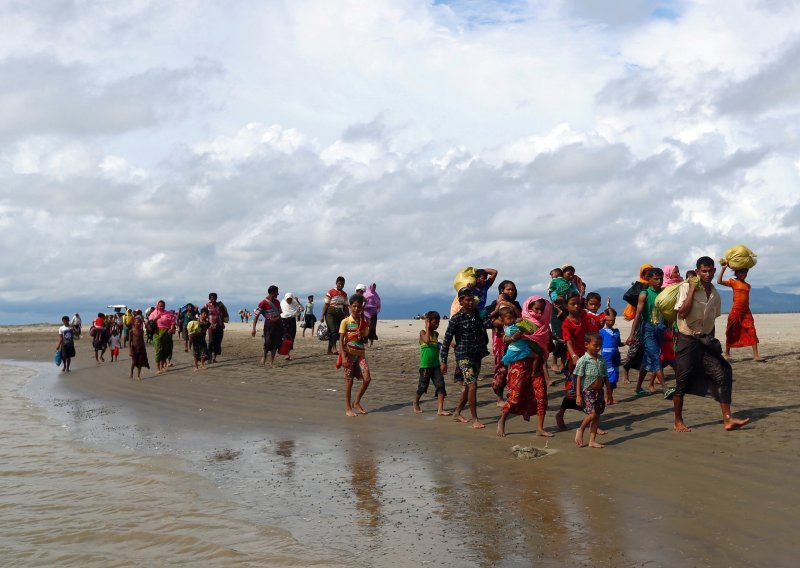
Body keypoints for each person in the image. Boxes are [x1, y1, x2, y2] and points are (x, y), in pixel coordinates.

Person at [673, 256, 750, 432]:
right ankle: (678, 421)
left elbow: (712, 321)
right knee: (682, 380)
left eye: (710, 271)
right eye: (704, 271)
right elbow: (683, 313)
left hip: (704, 339)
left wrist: (713, 344)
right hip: (686, 338)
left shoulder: (715, 293)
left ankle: (728, 419)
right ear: (698, 271)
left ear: (715, 271)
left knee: (722, 372)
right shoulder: (686, 287)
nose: (707, 274)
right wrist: (692, 289)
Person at [495, 306, 551, 437]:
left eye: (541, 310)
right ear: (529, 308)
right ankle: (502, 420)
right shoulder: (520, 324)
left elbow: (547, 342)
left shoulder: (543, 324)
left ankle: (539, 428)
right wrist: (513, 337)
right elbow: (504, 336)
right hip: (519, 363)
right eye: (536, 309)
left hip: (536, 366)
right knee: (516, 395)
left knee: (541, 395)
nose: (538, 312)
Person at [554, 291, 607, 431]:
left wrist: (601, 324)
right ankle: (560, 414)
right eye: (573, 304)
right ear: (566, 305)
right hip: (575, 361)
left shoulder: (585, 315)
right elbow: (568, 341)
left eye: (578, 303)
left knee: (591, 389)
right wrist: (573, 356)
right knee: (573, 391)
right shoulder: (566, 322)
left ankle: (593, 423)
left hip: (589, 357)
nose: (576, 306)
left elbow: (593, 329)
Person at [440, 286, 490, 429]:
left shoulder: (478, 314)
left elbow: (488, 324)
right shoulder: (456, 319)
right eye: (467, 300)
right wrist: (443, 361)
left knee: (468, 387)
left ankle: (457, 413)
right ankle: (475, 419)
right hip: (463, 356)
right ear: (461, 301)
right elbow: (447, 340)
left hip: (477, 355)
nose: (470, 303)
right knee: (472, 385)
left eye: (472, 300)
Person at [626, 267, 667, 395]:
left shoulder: (664, 293)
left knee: (646, 359)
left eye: (661, 279)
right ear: (649, 279)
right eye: (656, 279)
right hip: (647, 329)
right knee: (655, 356)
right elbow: (638, 314)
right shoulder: (645, 294)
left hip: (660, 329)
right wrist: (632, 334)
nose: (659, 281)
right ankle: (665, 388)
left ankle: (638, 387)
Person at [717, 265, 765, 362]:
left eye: (745, 273)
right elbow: (719, 281)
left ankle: (756, 356)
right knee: (731, 330)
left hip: (746, 311)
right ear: (737, 273)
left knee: (752, 330)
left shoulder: (748, 285)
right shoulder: (733, 282)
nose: (743, 274)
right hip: (736, 310)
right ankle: (727, 353)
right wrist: (723, 268)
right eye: (741, 273)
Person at [574, 332, 613, 448]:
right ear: (586, 344)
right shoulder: (583, 360)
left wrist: (609, 392)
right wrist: (578, 395)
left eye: (599, 345)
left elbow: (605, 377)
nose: (598, 348)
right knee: (593, 414)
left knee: (597, 416)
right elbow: (579, 378)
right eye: (595, 345)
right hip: (588, 391)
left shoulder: (601, 360)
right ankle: (580, 429)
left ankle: (592, 440)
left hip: (599, 391)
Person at [486, 280, 522, 406]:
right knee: (501, 367)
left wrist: (511, 306)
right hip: (501, 339)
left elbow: (521, 318)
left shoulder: (516, 304)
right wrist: (507, 324)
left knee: (516, 366)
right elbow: (489, 320)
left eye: (512, 289)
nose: (510, 291)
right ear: (501, 291)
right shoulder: (494, 304)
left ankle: (513, 395)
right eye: (508, 289)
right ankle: (500, 398)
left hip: (517, 340)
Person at [339, 294, 372, 417]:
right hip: (348, 355)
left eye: (359, 307)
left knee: (367, 378)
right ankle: (348, 408)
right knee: (349, 381)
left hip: (360, 355)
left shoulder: (363, 323)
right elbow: (341, 341)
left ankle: (356, 401)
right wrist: (343, 356)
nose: (357, 309)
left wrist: (361, 336)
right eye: (354, 306)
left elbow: (364, 340)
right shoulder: (345, 322)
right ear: (350, 306)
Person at [413, 311, 450, 416]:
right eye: (434, 323)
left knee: (440, 386)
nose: (437, 325)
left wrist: (443, 362)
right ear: (428, 322)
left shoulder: (436, 334)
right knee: (422, 387)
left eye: (438, 323)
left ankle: (440, 409)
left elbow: (440, 348)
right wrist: (427, 327)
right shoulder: (422, 332)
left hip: (436, 366)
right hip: (425, 366)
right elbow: (427, 340)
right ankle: (416, 402)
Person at [252, 285, 282, 368]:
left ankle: (271, 362)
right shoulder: (263, 303)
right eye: (277, 292)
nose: (278, 294)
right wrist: (254, 329)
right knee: (267, 343)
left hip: (277, 325)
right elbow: (256, 316)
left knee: (276, 344)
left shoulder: (277, 302)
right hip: (268, 326)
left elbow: (279, 313)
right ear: (272, 292)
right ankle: (264, 358)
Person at [322, 276, 349, 355]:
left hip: (340, 314)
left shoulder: (344, 294)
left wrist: (348, 315)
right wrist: (322, 316)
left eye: (342, 284)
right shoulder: (331, 292)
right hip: (330, 313)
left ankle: (329, 350)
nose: (340, 285)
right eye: (339, 284)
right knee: (333, 330)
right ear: (336, 283)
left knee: (336, 332)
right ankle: (334, 347)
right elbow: (326, 304)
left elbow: (345, 306)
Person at [149, 300, 176, 374]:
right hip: (157, 333)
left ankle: (162, 366)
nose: (161, 307)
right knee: (158, 350)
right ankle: (158, 368)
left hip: (167, 333)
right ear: (157, 305)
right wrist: (155, 318)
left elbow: (172, 322)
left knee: (165, 350)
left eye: (163, 306)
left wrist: (171, 328)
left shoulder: (168, 313)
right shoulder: (153, 313)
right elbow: (149, 324)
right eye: (160, 305)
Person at [599, 308, 621, 390]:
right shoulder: (601, 332)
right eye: (609, 320)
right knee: (610, 374)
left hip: (616, 355)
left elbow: (618, 343)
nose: (611, 321)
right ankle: (606, 396)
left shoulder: (616, 331)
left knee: (615, 374)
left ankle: (610, 396)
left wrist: (627, 343)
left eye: (613, 320)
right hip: (607, 356)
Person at [280, 292, 303, 360]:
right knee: (286, 337)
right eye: (288, 299)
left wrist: (298, 301)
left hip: (292, 321)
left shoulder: (295, 303)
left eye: (290, 299)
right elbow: (279, 311)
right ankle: (286, 354)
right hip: (284, 320)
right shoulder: (282, 303)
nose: (289, 300)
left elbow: (302, 309)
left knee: (292, 337)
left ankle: (287, 353)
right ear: (286, 299)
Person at [206, 293, 228, 363]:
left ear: (216, 299)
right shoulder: (207, 306)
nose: (213, 300)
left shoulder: (220, 305)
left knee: (218, 342)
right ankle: (209, 358)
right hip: (210, 327)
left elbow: (225, 314)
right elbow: (203, 314)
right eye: (212, 298)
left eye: (214, 298)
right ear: (209, 299)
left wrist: (222, 319)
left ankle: (214, 358)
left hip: (219, 326)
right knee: (211, 341)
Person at [128, 311, 150, 380]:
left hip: (141, 348)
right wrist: (130, 351)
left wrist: (144, 349)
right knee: (134, 362)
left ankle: (138, 375)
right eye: (136, 322)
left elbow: (142, 340)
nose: (137, 323)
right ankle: (131, 372)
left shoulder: (141, 331)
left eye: (139, 322)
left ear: (140, 323)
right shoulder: (131, 331)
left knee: (140, 362)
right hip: (134, 348)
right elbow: (129, 342)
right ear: (134, 322)